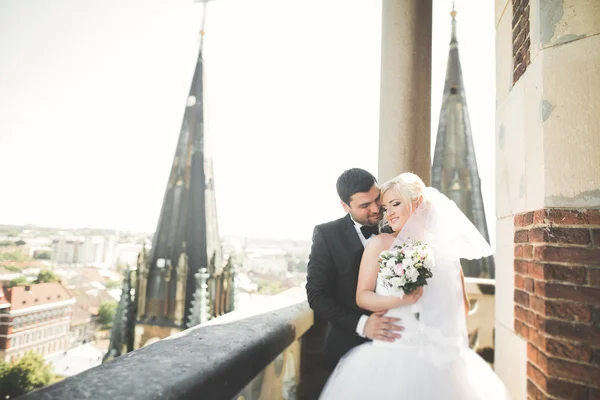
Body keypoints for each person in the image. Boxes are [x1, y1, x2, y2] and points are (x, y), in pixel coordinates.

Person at [319, 172, 512, 400]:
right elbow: (363, 296)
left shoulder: (446, 254)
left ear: (418, 203)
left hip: (437, 357)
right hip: (391, 352)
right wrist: (399, 301)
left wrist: (439, 335)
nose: (388, 213)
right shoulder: (380, 244)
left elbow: (463, 307)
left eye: (395, 204)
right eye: (385, 207)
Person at [306, 168, 405, 372]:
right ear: (345, 206)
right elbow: (317, 295)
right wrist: (362, 324)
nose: (377, 209)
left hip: (399, 345)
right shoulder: (326, 235)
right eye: (364, 205)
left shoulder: (399, 227)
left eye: (377, 199)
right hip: (347, 347)